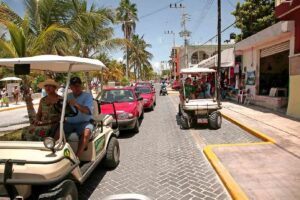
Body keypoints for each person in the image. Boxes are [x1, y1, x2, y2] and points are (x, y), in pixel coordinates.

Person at [64, 77, 94, 158]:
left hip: (84, 123)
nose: (76, 88)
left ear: (81, 86)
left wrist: (76, 104)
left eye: (77, 86)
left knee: (87, 132)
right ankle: (59, 154)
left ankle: (77, 157)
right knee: (57, 130)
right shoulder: (68, 96)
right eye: (73, 86)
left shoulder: (87, 96)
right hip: (69, 123)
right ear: (70, 87)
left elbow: (87, 111)